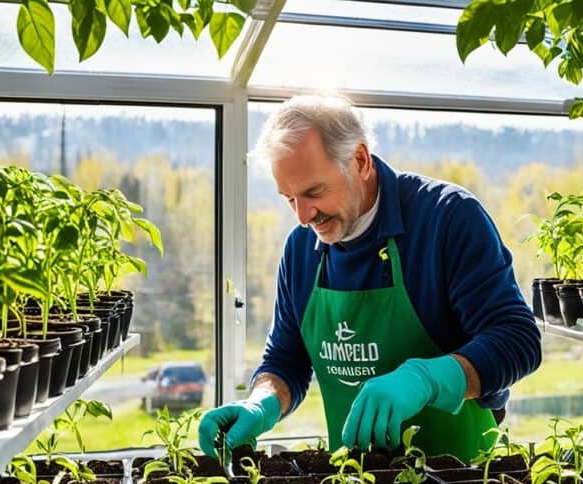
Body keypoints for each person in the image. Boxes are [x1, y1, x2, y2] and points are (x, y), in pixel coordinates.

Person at [199, 94, 541, 461]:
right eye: (289, 199)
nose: (302, 216)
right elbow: (286, 360)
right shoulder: (301, 249)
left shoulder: (447, 218)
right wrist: (260, 403)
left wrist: (425, 380)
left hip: (461, 480)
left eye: (314, 192)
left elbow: (518, 339)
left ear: (359, 160)